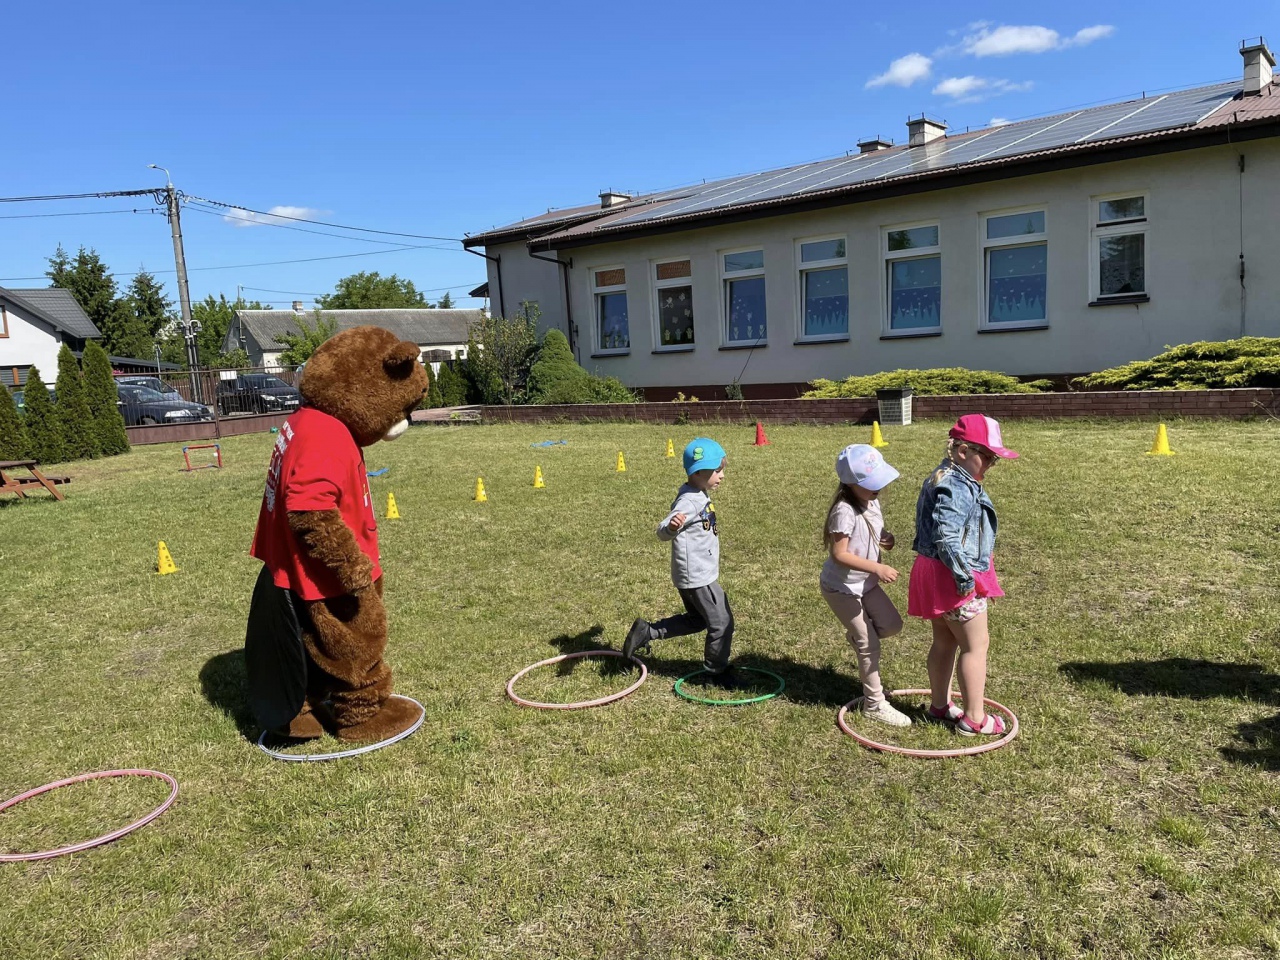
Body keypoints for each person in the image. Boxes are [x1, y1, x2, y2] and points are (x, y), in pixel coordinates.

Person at [908, 414, 1018, 736]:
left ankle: (940, 706)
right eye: (985, 456)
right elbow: (946, 533)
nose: (991, 463)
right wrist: (965, 578)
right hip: (951, 574)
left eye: (994, 458)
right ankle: (974, 719)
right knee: (976, 644)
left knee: (944, 640)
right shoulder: (957, 485)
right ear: (961, 451)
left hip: (932, 569)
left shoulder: (942, 475)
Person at [623, 437, 743, 688]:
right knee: (721, 623)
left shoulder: (697, 492)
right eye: (718, 471)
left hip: (696, 573)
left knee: (697, 620)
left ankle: (648, 632)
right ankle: (715, 673)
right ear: (699, 472)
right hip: (698, 576)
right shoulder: (689, 501)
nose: (722, 476)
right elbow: (662, 530)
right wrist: (671, 526)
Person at [820, 444, 911, 726]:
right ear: (850, 483)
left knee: (893, 625)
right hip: (842, 588)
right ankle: (874, 703)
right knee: (869, 642)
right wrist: (878, 567)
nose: (879, 488)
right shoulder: (844, 511)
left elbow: (876, 530)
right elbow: (840, 554)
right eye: (871, 484)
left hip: (866, 585)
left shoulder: (872, 502)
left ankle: (859, 640)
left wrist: (887, 539)